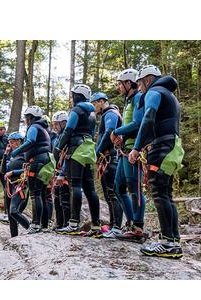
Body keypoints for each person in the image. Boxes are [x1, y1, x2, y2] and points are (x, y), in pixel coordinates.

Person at [128, 65, 185, 259]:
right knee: (166, 194)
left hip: (161, 147)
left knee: (159, 193)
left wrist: (136, 147)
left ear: (148, 79)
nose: (139, 87)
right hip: (172, 146)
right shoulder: (169, 95)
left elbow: (148, 118)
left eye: (140, 82)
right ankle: (173, 241)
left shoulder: (154, 92)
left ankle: (167, 242)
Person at [56, 84, 101, 238]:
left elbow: (68, 129)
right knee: (90, 189)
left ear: (77, 96)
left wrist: (58, 148)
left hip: (76, 149)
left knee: (76, 185)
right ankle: (96, 225)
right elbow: (93, 132)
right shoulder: (93, 114)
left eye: (73, 95)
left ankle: (73, 224)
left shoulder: (76, 111)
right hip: (88, 150)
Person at [110, 69, 146, 242]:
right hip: (126, 147)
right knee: (118, 187)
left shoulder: (138, 97)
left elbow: (138, 123)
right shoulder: (128, 100)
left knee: (134, 187)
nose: (118, 87)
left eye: (120, 83)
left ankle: (138, 227)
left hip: (133, 149)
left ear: (128, 83)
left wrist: (117, 131)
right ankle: (132, 223)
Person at [10, 106, 55, 234]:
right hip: (46, 161)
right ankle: (44, 225)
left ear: (30, 117)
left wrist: (16, 151)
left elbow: (30, 141)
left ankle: (35, 225)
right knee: (42, 194)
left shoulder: (34, 127)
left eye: (25, 117)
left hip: (37, 162)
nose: (25, 120)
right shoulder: (44, 128)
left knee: (35, 194)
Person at [92, 92, 123, 238]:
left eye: (94, 104)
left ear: (101, 101)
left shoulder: (111, 113)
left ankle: (117, 227)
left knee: (113, 193)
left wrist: (96, 152)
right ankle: (112, 225)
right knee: (108, 193)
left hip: (111, 158)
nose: (93, 107)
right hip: (106, 159)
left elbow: (109, 132)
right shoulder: (106, 115)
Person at [0, 132, 30, 237]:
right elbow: (3, 171)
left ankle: (30, 228)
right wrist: (5, 154)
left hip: (20, 185)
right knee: (10, 215)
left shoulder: (25, 154)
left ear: (19, 142)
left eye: (13, 142)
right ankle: (14, 237)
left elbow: (28, 169)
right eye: (10, 143)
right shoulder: (11, 156)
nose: (11, 145)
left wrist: (13, 172)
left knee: (14, 211)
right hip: (9, 186)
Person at [51, 111, 71, 231]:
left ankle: (66, 224)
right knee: (57, 199)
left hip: (64, 171)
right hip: (57, 171)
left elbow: (67, 154)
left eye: (56, 125)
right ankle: (59, 224)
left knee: (64, 199)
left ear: (63, 123)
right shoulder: (58, 137)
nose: (55, 127)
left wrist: (63, 173)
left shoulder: (67, 137)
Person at [42, 114, 57, 229]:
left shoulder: (53, 136)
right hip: (44, 166)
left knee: (47, 194)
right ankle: (45, 220)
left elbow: (54, 151)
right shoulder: (47, 135)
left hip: (50, 166)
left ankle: (49, 220)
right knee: (44, 194)